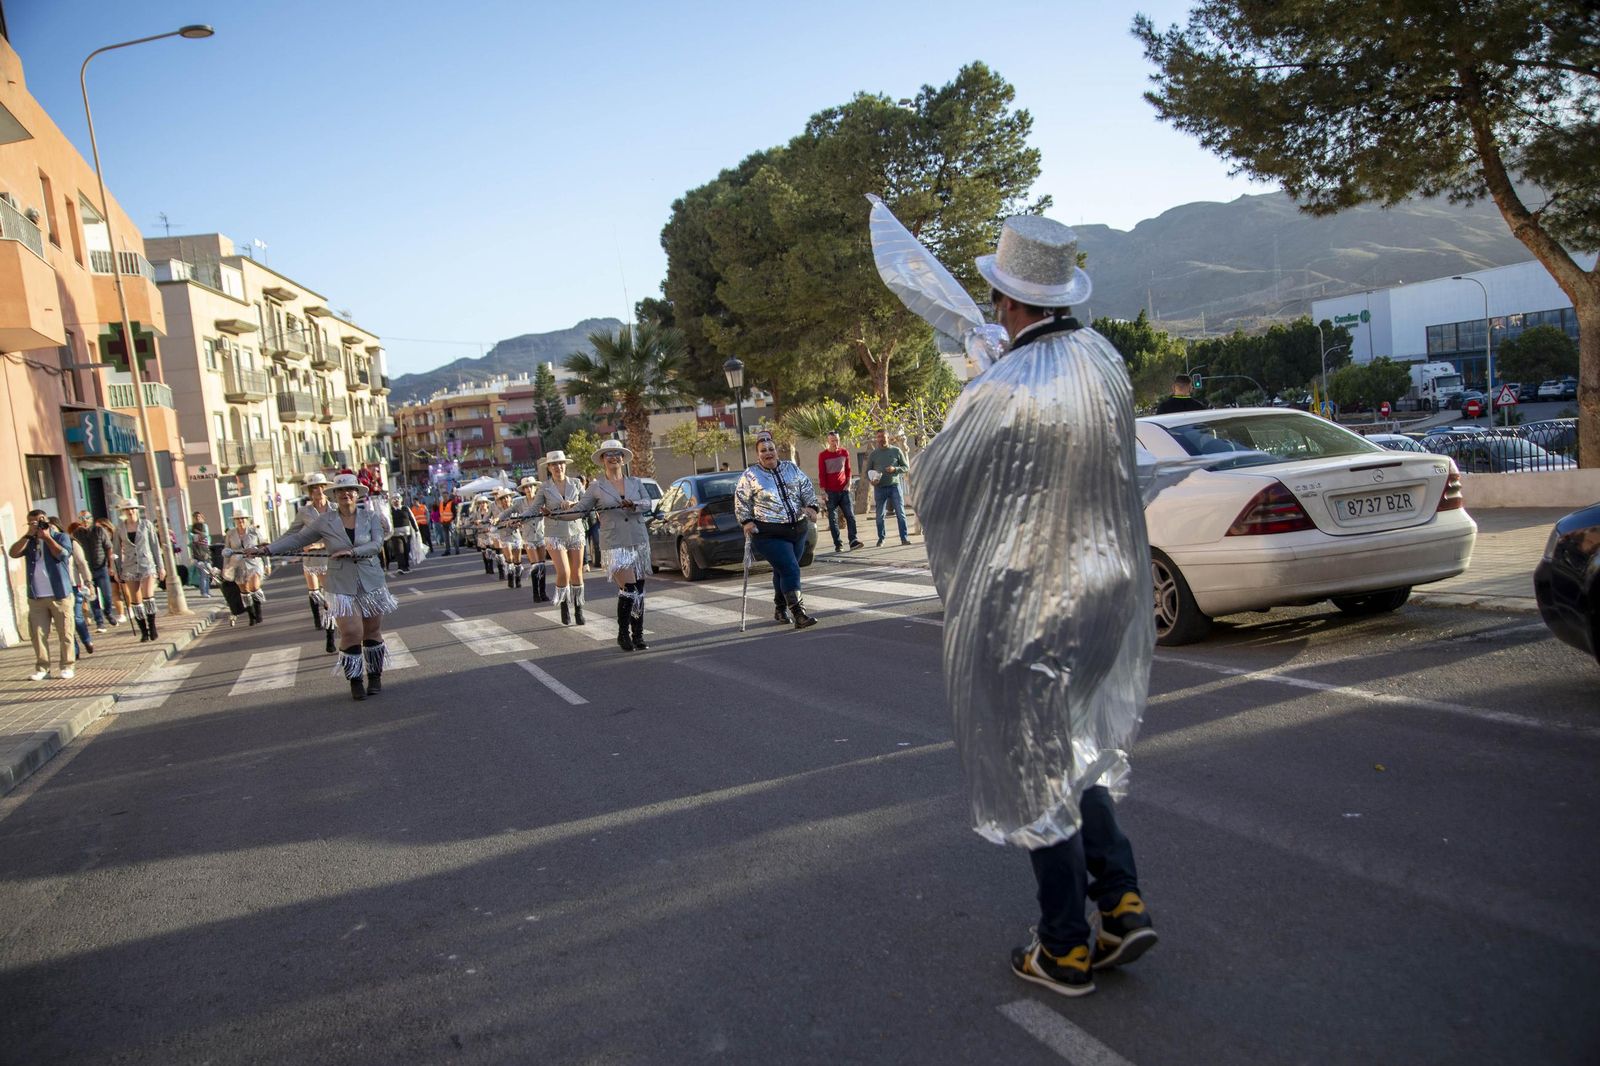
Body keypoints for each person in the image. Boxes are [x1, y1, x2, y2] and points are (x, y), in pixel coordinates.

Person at [910, 214, 1157, 998]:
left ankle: (1063, 947)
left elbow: (936, 483)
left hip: (1032, 602)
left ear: (1007, 301)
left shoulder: (1006, 383)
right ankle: (1118, 897)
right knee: (1079, 742)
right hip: (1109, 586)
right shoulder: (1104, 357)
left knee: (1034, 763)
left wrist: (981, 387)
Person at [252, 473, 397, 701]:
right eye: (341, 491)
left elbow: (377, 544)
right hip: (340, 582)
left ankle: (375, 676)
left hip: (371, 580)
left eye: (350, 490)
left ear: (357, 494)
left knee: (371, 631)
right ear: (335, 495)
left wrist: (353, 552)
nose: (346, 494)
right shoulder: (325, 521)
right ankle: (356, 680)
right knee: (351, 632)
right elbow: (297, 539)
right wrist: (268, 550)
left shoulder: (370, 517)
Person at [575, 440, 656, 652]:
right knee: (629, 588)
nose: (613, 457)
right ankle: (623, 634)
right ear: (602, 460)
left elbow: (648, 503)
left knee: (639, 590)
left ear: (623, 458)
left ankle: (638, 635)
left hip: (638, 540)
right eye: (608, 454)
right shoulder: (596, 487)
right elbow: (580, 510)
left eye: (617, 453)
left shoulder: (636, 483)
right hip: (615, 543)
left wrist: (634, 504)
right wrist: (555, 513)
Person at [735, 435, 823, 628]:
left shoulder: (791, 468)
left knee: (783, 570)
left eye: (770, 449)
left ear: (776, 450)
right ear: (758, 455)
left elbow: (806, 487)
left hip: (798, 530)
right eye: (763, 450)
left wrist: (811, 507)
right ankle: (799, 614)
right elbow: (741, 501)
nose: (768, 453)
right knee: (790, 568)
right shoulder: (750, 475)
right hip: (769, 533)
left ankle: (780, 608)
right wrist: (747, 522)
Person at [9, 511, 76, 680]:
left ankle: (67, 666)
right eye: (32, 522)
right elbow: (13, 553)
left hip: (60, 594)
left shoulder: (60, 537)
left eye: (40, 521)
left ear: (47, 521)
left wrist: (46, 537)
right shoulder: (29, 542)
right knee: (37, 634)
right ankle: (43, 668)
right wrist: (28, 535)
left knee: (65, 632)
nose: (37, 525)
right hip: (37, 596)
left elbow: (62, 555)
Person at [535, 450, 587, 625]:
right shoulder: (544, 487)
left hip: (576, 531)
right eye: (554, 464)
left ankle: (579, 608)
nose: (558, 467)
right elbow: (534, 508)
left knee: (577, 573)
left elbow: (587, 502)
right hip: (554, 534)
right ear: (549, 468)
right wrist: (518, 518)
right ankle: (564, 604)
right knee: (563, 572)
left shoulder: (576, 483)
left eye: (560, 463)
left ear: (565, 465)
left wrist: (573, 504)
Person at [290, 474, 337, 653]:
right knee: (316, 594)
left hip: (330, 557)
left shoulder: (334, 509)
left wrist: (320, 544)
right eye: (313, 488)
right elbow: (294, 533)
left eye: (320, 487)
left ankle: (330, 636)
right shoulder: (304, 512)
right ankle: (320, 620)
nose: (317, 491)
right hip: (311, 559)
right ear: (310, 492)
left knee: (329, 598)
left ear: (326, 488)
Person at [111, 499, 161, 642]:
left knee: (148, 595)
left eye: (133, 509)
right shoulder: (119, 528)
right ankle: (143, 631)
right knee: (136, 600)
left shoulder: (146, 525)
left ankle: (152, 627)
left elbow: (155, 547)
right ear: (123, 512)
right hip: (129, 566)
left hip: (147, 564)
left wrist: (161, 567)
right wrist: (116, 570)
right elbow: (116, 550)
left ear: (137, 510)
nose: (130, 511)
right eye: (127, 509)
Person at [817, 430, 862, 553]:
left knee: (850, 516)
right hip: (830, 492)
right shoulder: (823, 455)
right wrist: (823, 491)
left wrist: (848, 484)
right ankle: (838, 544)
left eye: (837, 440)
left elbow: (848, 470)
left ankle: (853, 541)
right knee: (833, 519)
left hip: (844, 491)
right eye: (832, 441)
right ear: (828, 441)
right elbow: (822, 474)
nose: (835, 443)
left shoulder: (844, 452)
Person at [865, 429, 911, 547]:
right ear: (877, 439)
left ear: (888, 437)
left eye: (883, 436)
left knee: (901, 513)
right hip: (879, 488)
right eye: (879, 437)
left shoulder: (896, 451)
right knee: (880, 515)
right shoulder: (873, 454)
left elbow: (905, 467)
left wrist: (895, 469)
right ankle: (881, 538)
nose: (881, 439)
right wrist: (872, 480)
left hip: (894, 486)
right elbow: (867, 472)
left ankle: (904, 538)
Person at [72, 513, 114, 629]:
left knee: (107, 595)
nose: (85, 521)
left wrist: (111, 566)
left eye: (87, 518)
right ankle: (99, 621)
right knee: (92, 597)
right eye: (81, 518)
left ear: (91, 519)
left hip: (101, 568)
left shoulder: (99, 530)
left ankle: (108, 612)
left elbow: (108, 547)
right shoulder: (77, 533)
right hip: (88, 571)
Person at [224, 514, 267, 626]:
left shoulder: (254, 531)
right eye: (238, 519)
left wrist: (267, 563)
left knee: (255, 587)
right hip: (237, 565)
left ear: (247, 520)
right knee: (245, 591)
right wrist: (225, 568)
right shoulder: (230, 534)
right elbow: (226, 552)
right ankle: (251, 616)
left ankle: (259, 614)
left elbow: (264, 547)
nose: (240, 520)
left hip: (254, 563)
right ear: (234, 521)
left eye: (242, 518)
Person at [512, 475, 549, 601]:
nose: (529, 489)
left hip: (541, 535)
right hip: (528, 537)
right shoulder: (519, 503)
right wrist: (515, 521)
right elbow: (513, 515)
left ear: (535, 487)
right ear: (523, 489)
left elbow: (549, 512)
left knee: (542, 565)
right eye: (526, 487)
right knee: (535, 565)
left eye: (531, 486)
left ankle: (543, 592)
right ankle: (536, 594)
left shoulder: (541, 500)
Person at [65, 522, 96, 657]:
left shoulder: (71, 543)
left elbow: (82, 563)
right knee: (66, 621)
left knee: (76, 617)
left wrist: (88, 582)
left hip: (74, 585)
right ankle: (74, 650)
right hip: (58, 589)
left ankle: (87, 640)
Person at [387, 493, 420, 575]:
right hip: (396, 535)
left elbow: (412, 519)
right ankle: (401, 567)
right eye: (394, 499)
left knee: (406, 550)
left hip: (407, 534)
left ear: (401, 500)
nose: (396, 500)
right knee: (399, 550)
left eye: (398, 498)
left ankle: (406, 566)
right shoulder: (390, 510)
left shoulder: (405, 508)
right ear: (391, 501)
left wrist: (416, 531)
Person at [187, 512, 212, 598]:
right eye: (196, 517)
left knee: (207, 573)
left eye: (199, 517)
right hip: (197, 552)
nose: (197, 518)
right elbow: (192, 539)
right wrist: (199, 534)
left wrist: (199, 534)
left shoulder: (205, 526)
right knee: (203, 573)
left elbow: (206, 537)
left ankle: (207, 591)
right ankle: (203, 592)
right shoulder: (191, 528)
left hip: (205, 551)